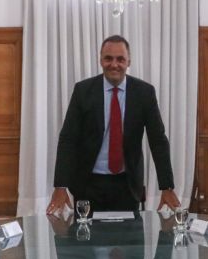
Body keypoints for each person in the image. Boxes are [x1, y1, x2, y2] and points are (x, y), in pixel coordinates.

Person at [47, 35, 180, 214]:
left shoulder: (144, 93)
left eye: (120, 59)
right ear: (101, 60)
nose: (114, 64)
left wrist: (167, 187)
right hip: (88, 184)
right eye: (108, 58)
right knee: (84, 240)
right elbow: (68, 139)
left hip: (128, 185)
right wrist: (60, 186)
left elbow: (158, 140)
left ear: (129, 61)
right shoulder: (83, 91)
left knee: (128, 241)